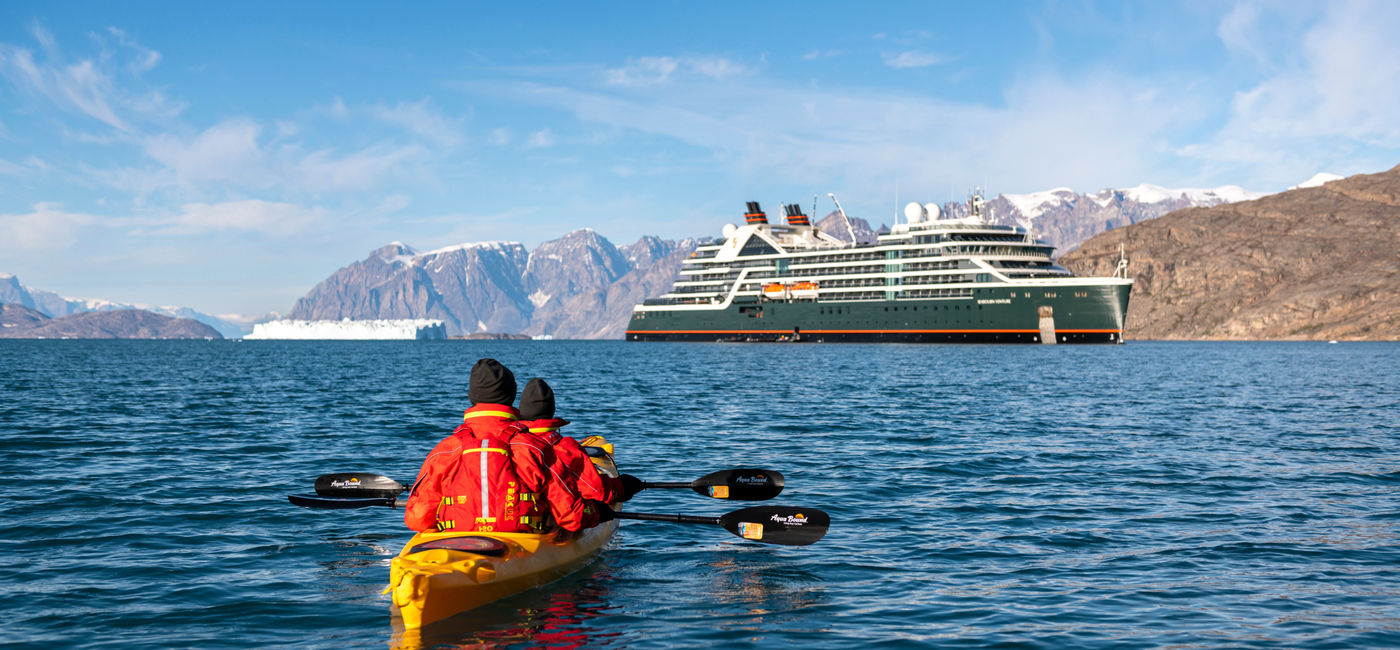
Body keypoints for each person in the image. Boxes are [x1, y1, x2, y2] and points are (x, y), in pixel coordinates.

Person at [403, 358, 612, 535]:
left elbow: (416, 520)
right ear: (512, 398)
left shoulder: (445, 450)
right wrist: (596, 512)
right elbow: (570, 517)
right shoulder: (534, 449)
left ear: (472, 397)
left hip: (458, 543)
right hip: (521, 545)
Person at [517, 377, 644, 504]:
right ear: (552, 411)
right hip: (555, 518)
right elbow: (597, 490)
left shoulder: (508, 440)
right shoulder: (565, 448)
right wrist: (623, 486)